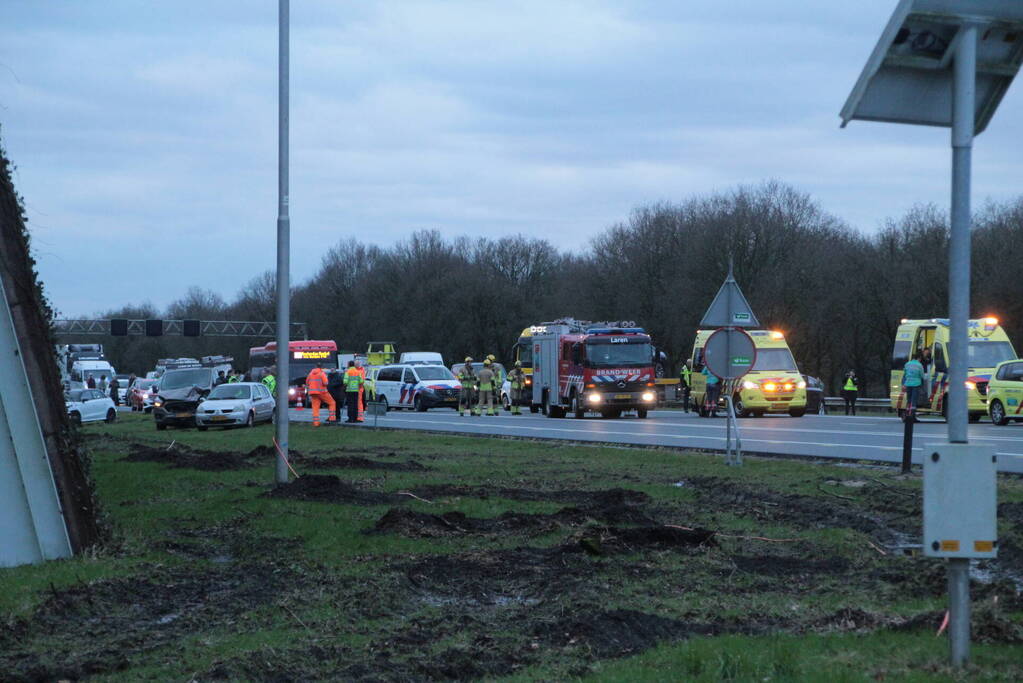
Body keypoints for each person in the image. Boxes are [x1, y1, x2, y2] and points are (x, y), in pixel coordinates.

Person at [305, 362, 335, 427]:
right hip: (322, 392)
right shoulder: (322, 373)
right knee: (332, 403)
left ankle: (316, 423)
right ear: (321, 367)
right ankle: (332, 418)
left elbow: (307, 382)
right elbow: (326, 383)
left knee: (315, 408)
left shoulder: (310, 374)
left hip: (313, 393)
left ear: (316, 366)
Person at [902, 353, 925, 422]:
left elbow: (904, 375)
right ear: (919, 358)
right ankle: (912, 417)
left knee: (909, 401)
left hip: (908, 384)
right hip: (916, 384)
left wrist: (904, 384)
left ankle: (906, 416)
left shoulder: (907, 364)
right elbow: (922, 376)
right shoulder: (919, 365)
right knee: (914, 401)